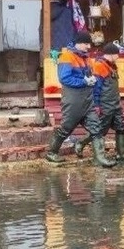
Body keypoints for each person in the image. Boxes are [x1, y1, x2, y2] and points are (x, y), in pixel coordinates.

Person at [46, 30, 96, 164]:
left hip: (87, 99)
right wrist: (84, 82)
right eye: (86, 43)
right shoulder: (67, 57)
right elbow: (64, 78)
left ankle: (85, 148)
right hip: (73, 99)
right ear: (78, 43)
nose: (88, 47)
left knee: (97, 128)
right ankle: (52, 152)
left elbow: (90, 74)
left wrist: (92, 79)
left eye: (89, 44)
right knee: (66, 128)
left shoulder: (87, 58)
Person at [84, 40, 124, 167]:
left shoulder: (112, 65)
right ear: (111, 54)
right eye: (117, 54)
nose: (118, 57)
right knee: (100, 130)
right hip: (105, 104)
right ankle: (82, 144)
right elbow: (96, 88)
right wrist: (96, 105)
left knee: (121, 126)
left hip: (116, 103)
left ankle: (121, 154)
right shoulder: (99, 66)